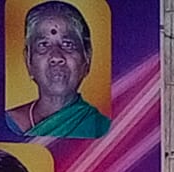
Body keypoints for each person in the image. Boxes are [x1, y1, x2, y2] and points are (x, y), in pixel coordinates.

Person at [7, 1, 110, 139]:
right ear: (28, 60)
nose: (56, 57)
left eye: (68, 44)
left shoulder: (103, 129)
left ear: (87, 58)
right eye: (44, 44)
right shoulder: (7, 124)